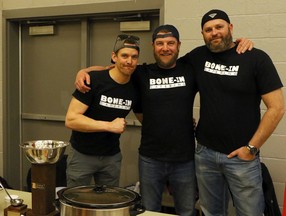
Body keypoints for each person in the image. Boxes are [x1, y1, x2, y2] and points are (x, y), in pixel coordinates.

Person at [74, 26, 253, 215]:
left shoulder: (191, 67)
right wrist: (83, 71)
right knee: (150, 211)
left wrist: (239, 42)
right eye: (160, 43)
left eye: (170, 43)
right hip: (150, 159)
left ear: (178, 46)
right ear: (153, 46)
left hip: (184, 159)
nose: (165, 48)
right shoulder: (141, 72)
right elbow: (112, 69)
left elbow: (219, 45)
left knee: (186, 211)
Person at [178, 9, 285, 216]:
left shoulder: (256, 58)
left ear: (231, 28)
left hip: (242, 157)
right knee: (211, 212)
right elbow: (164, 67)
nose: (214, 32)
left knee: (250, 213)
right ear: (203, 34)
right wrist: (99, 71)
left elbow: (277, 108)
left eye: (219, 26)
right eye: (208, 29)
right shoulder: (198, 56)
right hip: (205, 154)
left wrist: (251, 148)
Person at [65, 34, 140, 187]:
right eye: (124, 55)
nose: (129, 61)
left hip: (111, 157)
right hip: (82, 155)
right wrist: (109, 126)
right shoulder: (93, 80)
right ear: (114, 57)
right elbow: (71, 119)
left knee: (107, 204)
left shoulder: (136, 84)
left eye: (134, 57)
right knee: (77, 203)